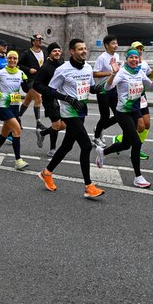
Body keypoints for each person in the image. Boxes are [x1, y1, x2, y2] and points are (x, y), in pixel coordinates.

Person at [37, 38, 105, 199]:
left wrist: (109, 82)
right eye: (80, 49)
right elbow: (49, 89)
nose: (84, 51)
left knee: (66, 146)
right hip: (69, 112)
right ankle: (88, 186)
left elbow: (92, 89)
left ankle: (46, 172)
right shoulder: (62, 69)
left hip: (81, 111)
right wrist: (68, 99)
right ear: (72, 52)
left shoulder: (88, 68)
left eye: (85, 48)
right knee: (86, 146)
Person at [96, 47, 153, 188]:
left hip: (135, 111)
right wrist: (112, 74)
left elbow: (151, 86)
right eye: (131, 58)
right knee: (136, 143)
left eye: (136, 57)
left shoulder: (139, 72)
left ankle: (103, 152)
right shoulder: (121, 72)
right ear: (126, 59)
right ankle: (138, 177)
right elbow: (108, 88)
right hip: (123, 113)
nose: (134, 60)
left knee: (126, 144)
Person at [0, 50, 30, 170]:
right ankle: (18, 160)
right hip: (4, 105)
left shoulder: (20, 73)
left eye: (15, 58)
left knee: (5, 133)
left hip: (15, 105)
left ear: (17, 60)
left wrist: (25, 80)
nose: (12, 60)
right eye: (10, 58)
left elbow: (26, 89)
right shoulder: (1, 72)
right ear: (7, 59)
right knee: (17, 130)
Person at [32, 42, 66, 156]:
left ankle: (42, 133)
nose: (57, 53)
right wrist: (49, 91)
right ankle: (52, 149)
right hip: (50, 100)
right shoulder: (45, 67)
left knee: (63, 125)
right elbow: (36, 85)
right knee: (56, 124)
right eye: (54, 51)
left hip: (61, 98)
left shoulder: (62, 64)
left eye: (58, 51)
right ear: (50, 53)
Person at [92, 35, 120, 143]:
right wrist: (110, 73)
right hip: (102, 90)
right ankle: (96, 137)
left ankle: (99, 128)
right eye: (113, 43)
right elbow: (95, 73)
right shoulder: (102, 58)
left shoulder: (116, 56)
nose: (115, 45)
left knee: (119, 115)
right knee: (105, 116)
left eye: (116, 43)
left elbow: (117, 71)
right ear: (106, 45)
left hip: (113, 89)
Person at [17, 33, 45, 128]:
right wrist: (29, 70)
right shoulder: (26, 53)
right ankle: (38, 123)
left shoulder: (43, 52)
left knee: (27, 100)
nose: (40, 41)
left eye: (41, 39)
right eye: (38, 40)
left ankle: (18, 117)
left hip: (39, 80)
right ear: (33, 42)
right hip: (29, 80)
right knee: (38, 98)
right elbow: (19, 65)